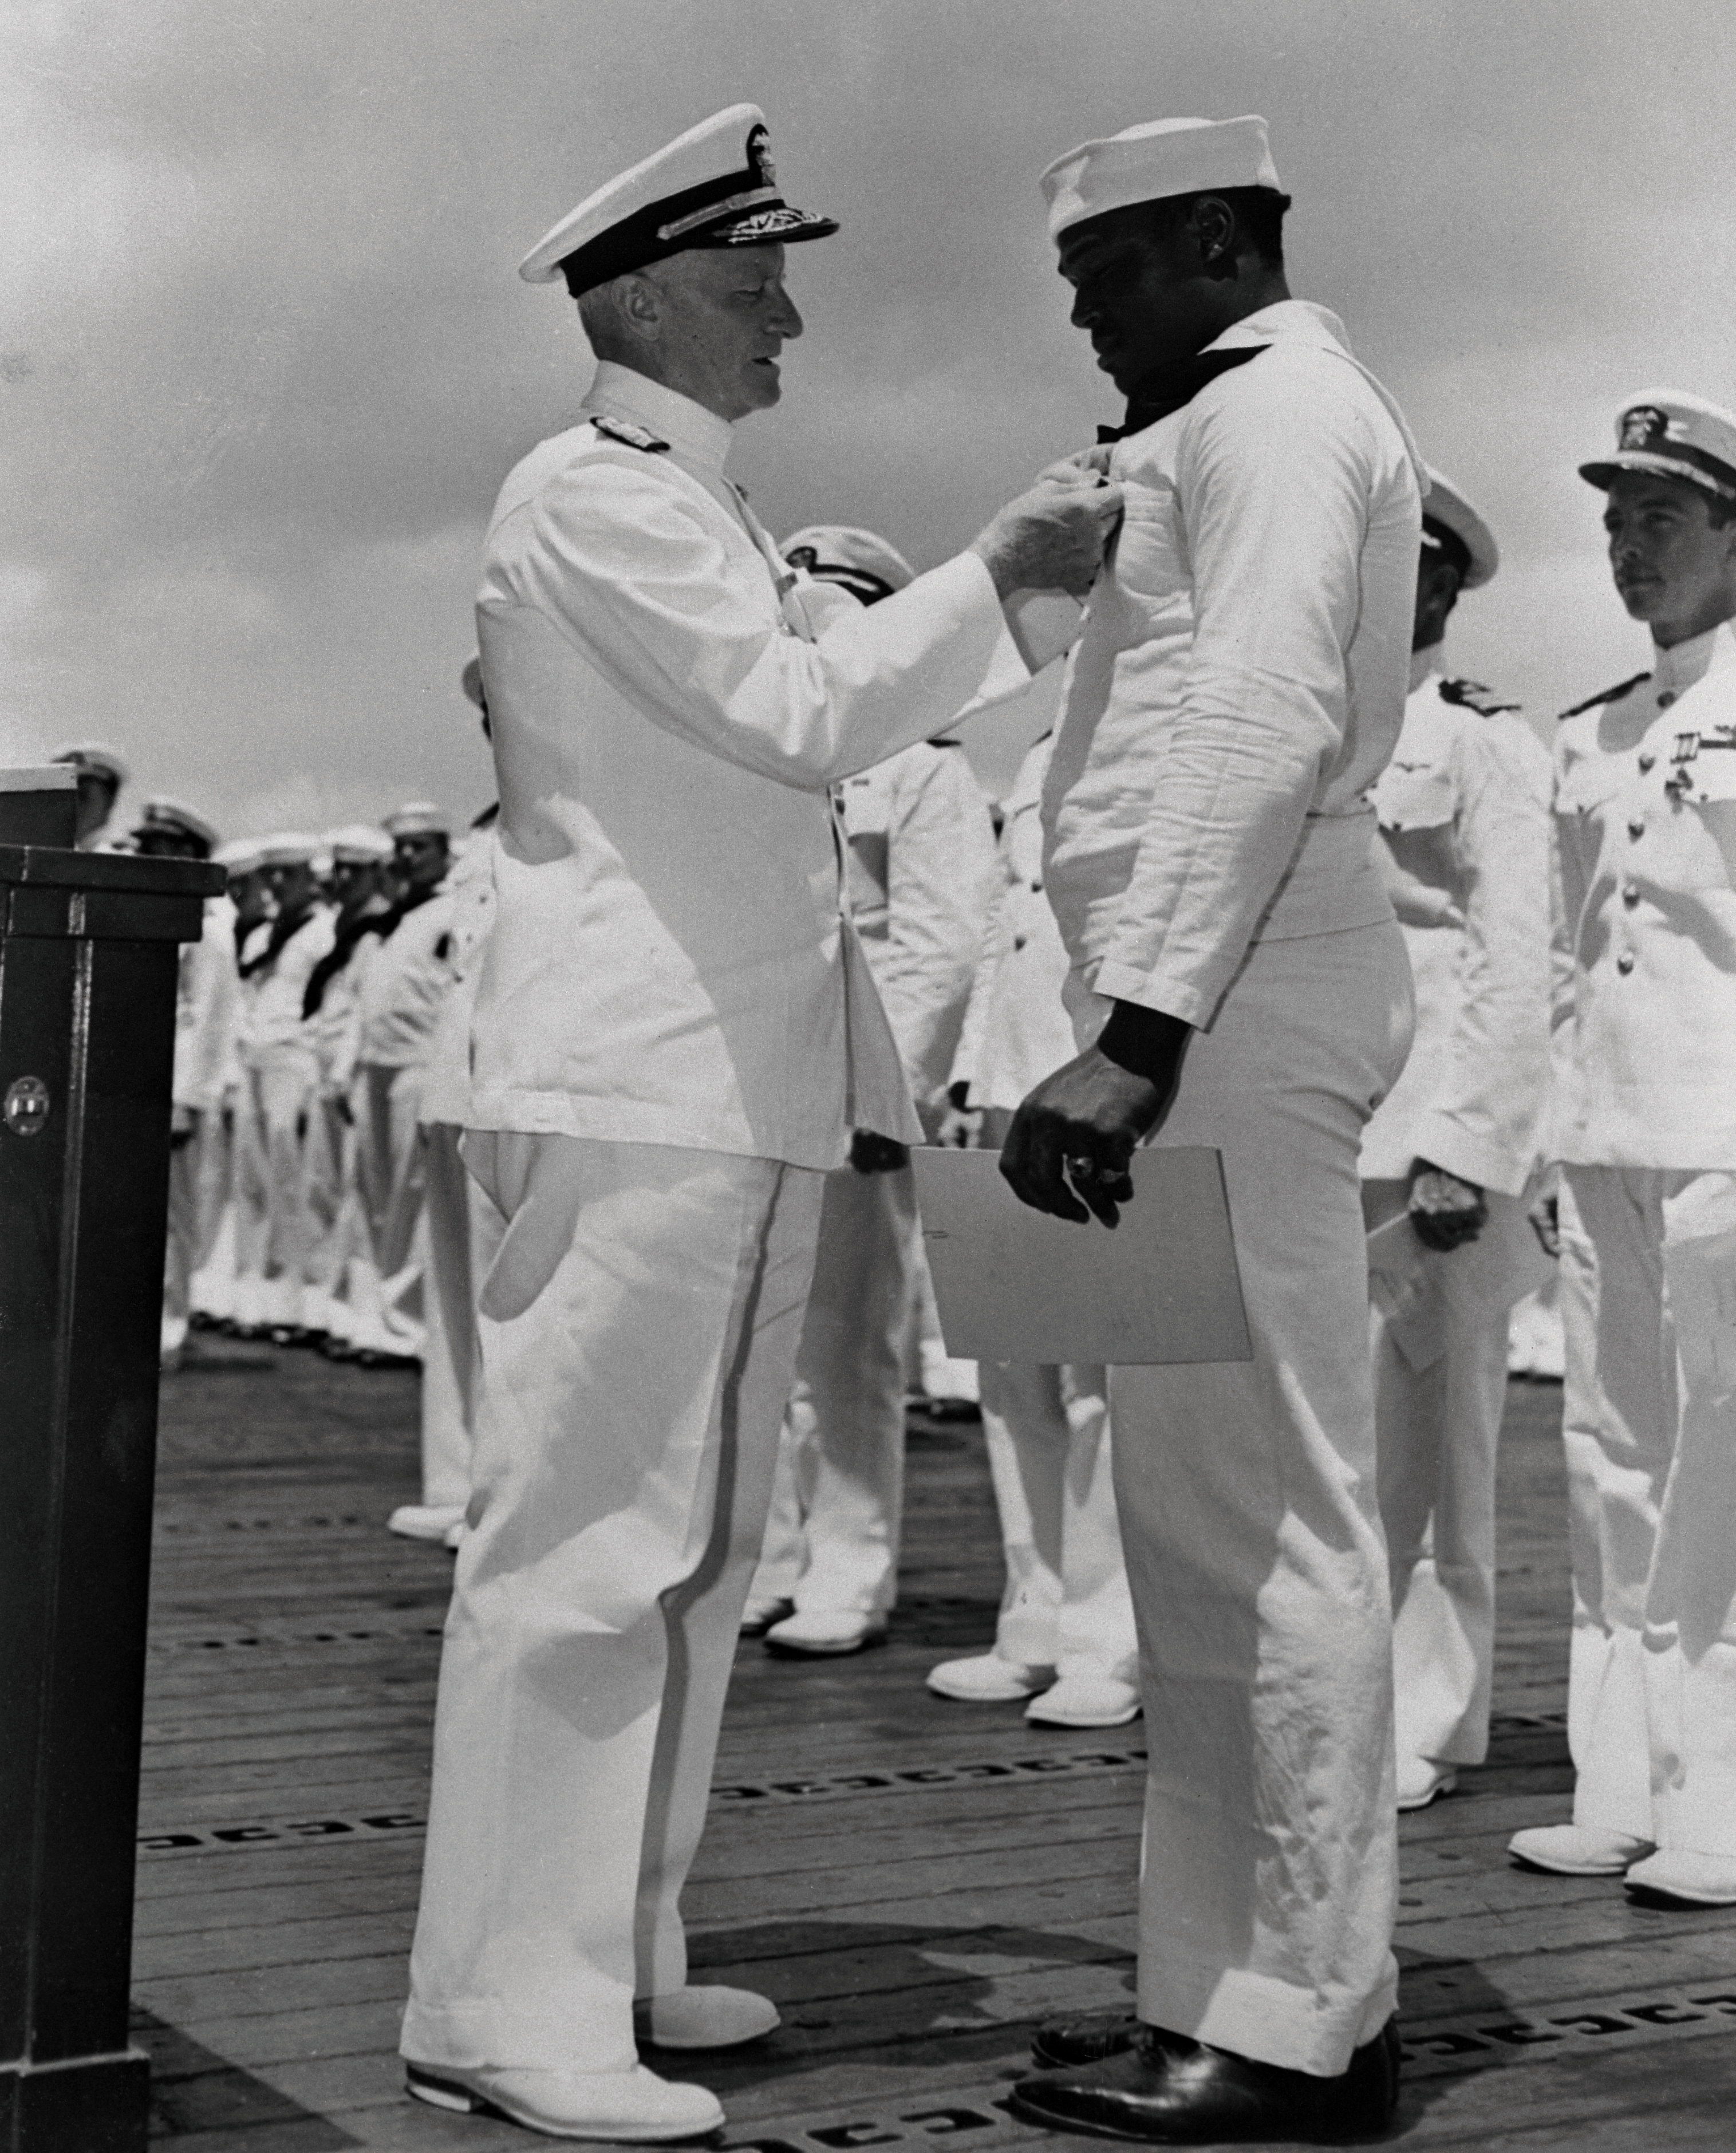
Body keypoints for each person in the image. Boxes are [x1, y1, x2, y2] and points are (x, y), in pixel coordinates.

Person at [399, 102, 1117, 2144]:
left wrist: (1021, 596)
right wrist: (1002, 567)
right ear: (641, 298)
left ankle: (611, 1950)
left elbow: (833, 699)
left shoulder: (695, 509)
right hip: (639, 1086)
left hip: (723, 1090)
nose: (789, 312)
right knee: (581, 1545)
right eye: (751, 280)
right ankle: (500, 2000)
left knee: (689, 1546)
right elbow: (806, 719)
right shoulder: (600, 498)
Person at [999, 114, 1421, 2143]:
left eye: (1100, 277)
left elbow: (1253, 707)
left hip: (1231, 999)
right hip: (1191, 998)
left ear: (1199, 243)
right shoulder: (1220, 420)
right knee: (1190, 1515)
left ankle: (1297, 2024)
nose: (1082, 319)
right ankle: (1217, 1987)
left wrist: (1141, 1026)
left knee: (1272, 1511)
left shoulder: (1279, 415)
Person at [1508, 392, 1736, 1910]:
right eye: (1613, 519)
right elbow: (1558, 957)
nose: (1628, 546)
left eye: (1661, 518)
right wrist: (1550, 1138)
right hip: (1605, 1142)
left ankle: (1720, 1810)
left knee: (1731, 1477)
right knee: (1608, 1464)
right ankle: (1617, 1790)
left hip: (1733, 1148)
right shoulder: (1586, 731)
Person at [745, 525, 998, 1657]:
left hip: (859, 1094)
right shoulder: (776, 761)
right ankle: (777, 1552)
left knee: (850, 1341)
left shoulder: (926, 767)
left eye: (827, 606)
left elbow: (942, 943)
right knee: (768, 1335)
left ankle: (850, 1565)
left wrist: (885, 1093)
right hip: (769, 1089)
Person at [1361, 471, 1553, 1811]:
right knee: (1331, 1442)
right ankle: (1342, 1692)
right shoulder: (1315, 725)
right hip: (1322, 1129)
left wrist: (1464, 1147)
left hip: (1428, 1137)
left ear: (1441, 586)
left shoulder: (1476, 739)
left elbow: (1511, 953)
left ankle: (1428, 1717)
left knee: (1433, 1438)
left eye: (1405, 566)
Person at [929, 729, 1139, 1728]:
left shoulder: (1158, 720)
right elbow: (997, 927)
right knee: (1009, 1374)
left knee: (1099, 1375)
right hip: (1009, 1082)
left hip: (1090, 1077)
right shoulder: (1041, 747)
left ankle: (1105, 1642)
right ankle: (1034, 1618)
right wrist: (968, 1072)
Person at [392, 658, 503, 1548]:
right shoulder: (490, 835)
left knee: (512, 1307)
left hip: (515, 1086)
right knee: (455, 1297)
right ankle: (460, 1475)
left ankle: (504, 1496)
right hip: (455, 1085)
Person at [345, 802, 456, 1363]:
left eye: (422, 848)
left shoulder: (453, 911)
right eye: (403, 849)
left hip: (420, 1064)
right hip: (376, 1065)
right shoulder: (399, 919)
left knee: (412, 1203)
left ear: (444, 851)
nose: (410, 858)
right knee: (378, 1198)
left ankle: (407, 1328)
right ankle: (375, 1320)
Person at [134, 798, 236, 1371]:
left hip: (175, 1093)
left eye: (158, 846)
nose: (146, 854)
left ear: (187, 854)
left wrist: (187, 1099)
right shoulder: (160, 919)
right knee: (145, 1212)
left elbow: (212, 1021)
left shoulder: (208, 930)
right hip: (145, 1087)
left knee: (173, 1217)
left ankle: (171, 1324)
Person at [232, 835, 334, 1343]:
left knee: (294, 1182)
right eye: (270, 875)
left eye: (287, 874)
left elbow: (327, 1005)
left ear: (311, 878)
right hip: (254, 1059)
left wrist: (311, 1068)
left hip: (293, 1063)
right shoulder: (264, 937)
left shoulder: (324, 932)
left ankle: (299, 1301)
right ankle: (255, 1297)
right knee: (253, 1182)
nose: (277, 885)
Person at [302, 825, 399, 1349]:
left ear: (377, 874)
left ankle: (359, 1315)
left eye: (352, 871)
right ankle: (327, 1308)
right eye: (337, 869)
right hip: (324, 1073)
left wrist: (340, 1075)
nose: (341, 880)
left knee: (356, 1198)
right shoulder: (345, 927)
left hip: (352, 1076)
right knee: (325, 1191)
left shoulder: (380, 929)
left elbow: (363, 1011)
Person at [187, 838, 266, 1332]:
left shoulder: (233, 932)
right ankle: (208, 1293)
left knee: (226, 1191)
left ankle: (217, 1295)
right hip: (223, 1079)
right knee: (213, 1192)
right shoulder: (233, 930)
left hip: (230, 1079)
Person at [52, 740, 129, 849]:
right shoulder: (44, 852)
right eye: (64, 797)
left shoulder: (125, 857)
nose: (71, 805)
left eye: (83, 795)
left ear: (110, 800)